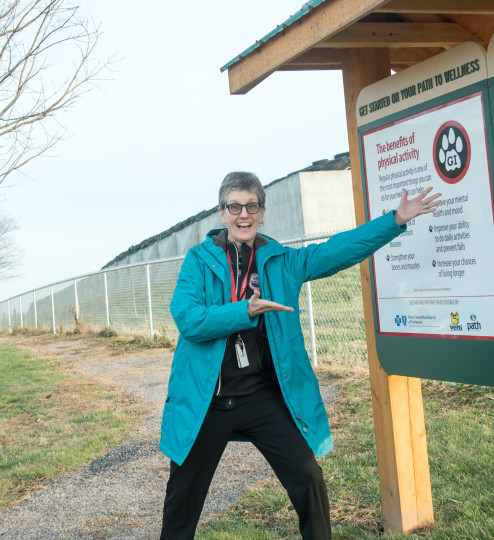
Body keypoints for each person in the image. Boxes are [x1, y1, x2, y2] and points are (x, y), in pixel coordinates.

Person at [159, 171, 441, 539]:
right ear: (222, 212)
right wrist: (245, 312)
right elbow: (188, 319)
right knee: (183, 500)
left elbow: (335, 251)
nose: (243, 214)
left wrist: (395, 221)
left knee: (308, 478)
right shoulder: (198, 260)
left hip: (259, 398)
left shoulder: (282, 262)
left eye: (252, 206)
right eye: (234, 207)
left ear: (262, 211)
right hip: (205, 401)